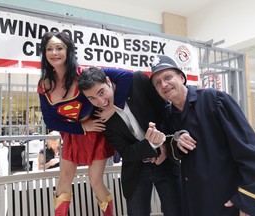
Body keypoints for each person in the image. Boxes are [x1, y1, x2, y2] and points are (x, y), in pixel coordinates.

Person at [150, 55, 255, 216]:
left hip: (228, 203)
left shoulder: (215, 100)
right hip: (195, 203)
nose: (164, 84)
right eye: (157, 83)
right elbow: (170, 146)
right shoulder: (169, 115)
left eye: (168, 77)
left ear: (182, 77)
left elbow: (250, 151)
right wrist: (175, 140)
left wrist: (247, 200)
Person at [78, 67, 182, 216]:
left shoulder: (137, 82)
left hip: (166, 163)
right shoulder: (100, 115)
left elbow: (165, 111)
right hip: (135, 171)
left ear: (108, 81)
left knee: (177, 211)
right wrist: (151, 144)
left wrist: (164, 145)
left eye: (101, 92)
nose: (100, 101)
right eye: (92, 98)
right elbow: (125, 152)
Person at [37, 31, 117, 216]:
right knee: (64, 179)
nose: (54, 52)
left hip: (97, 132)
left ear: (68, 50)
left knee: (95, 181)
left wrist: (113, 108)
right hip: (74, 133)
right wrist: (80, 127)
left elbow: (120, 78)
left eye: (59, 48)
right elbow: (49, 120)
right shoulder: (44, 84)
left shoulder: (83, 74)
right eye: (49, 48)